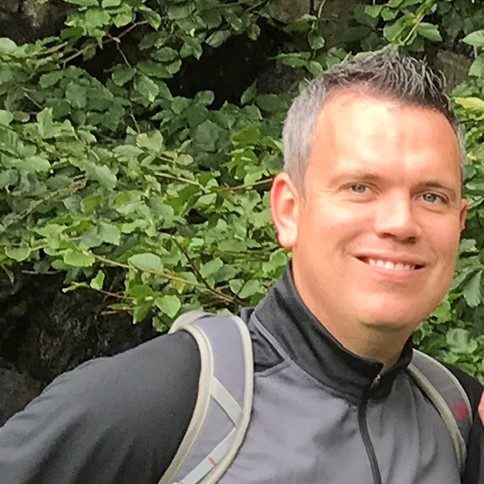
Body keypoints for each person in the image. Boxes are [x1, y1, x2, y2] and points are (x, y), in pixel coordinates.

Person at [0, 50, 482, 483]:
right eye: (360, 187)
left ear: (459, 223)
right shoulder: (159, 404)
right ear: (289, 211)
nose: (400, 223)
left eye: (431, 196)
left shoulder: (456, 419)